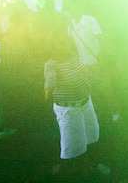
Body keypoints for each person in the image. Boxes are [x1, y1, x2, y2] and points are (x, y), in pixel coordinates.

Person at [44, 17, 108, 178]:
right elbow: (50, 78)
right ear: (51, 47)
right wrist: (48, 89)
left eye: (63, 43)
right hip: (69, 110)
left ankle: (94, 166)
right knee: (73, 147)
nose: (61, 47)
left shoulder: (72, 56)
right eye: (57, 44)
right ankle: (74, 173)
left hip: (86, 104)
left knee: (92, 136)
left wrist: (97, 80)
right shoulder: (52, 64)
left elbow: (84, 71)